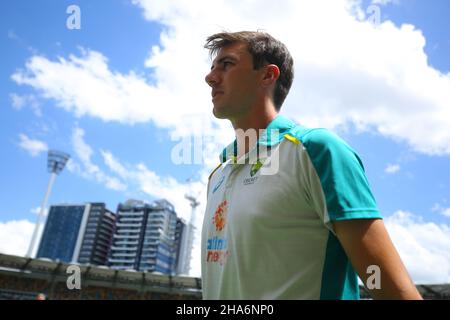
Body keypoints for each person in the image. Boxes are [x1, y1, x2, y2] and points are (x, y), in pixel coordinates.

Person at [201, 31, 422, 300]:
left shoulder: (316, 150)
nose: (210, 77)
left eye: (226, 65)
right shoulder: (218, 174)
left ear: (268, 76)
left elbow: (394, 290)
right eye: (212, 68)